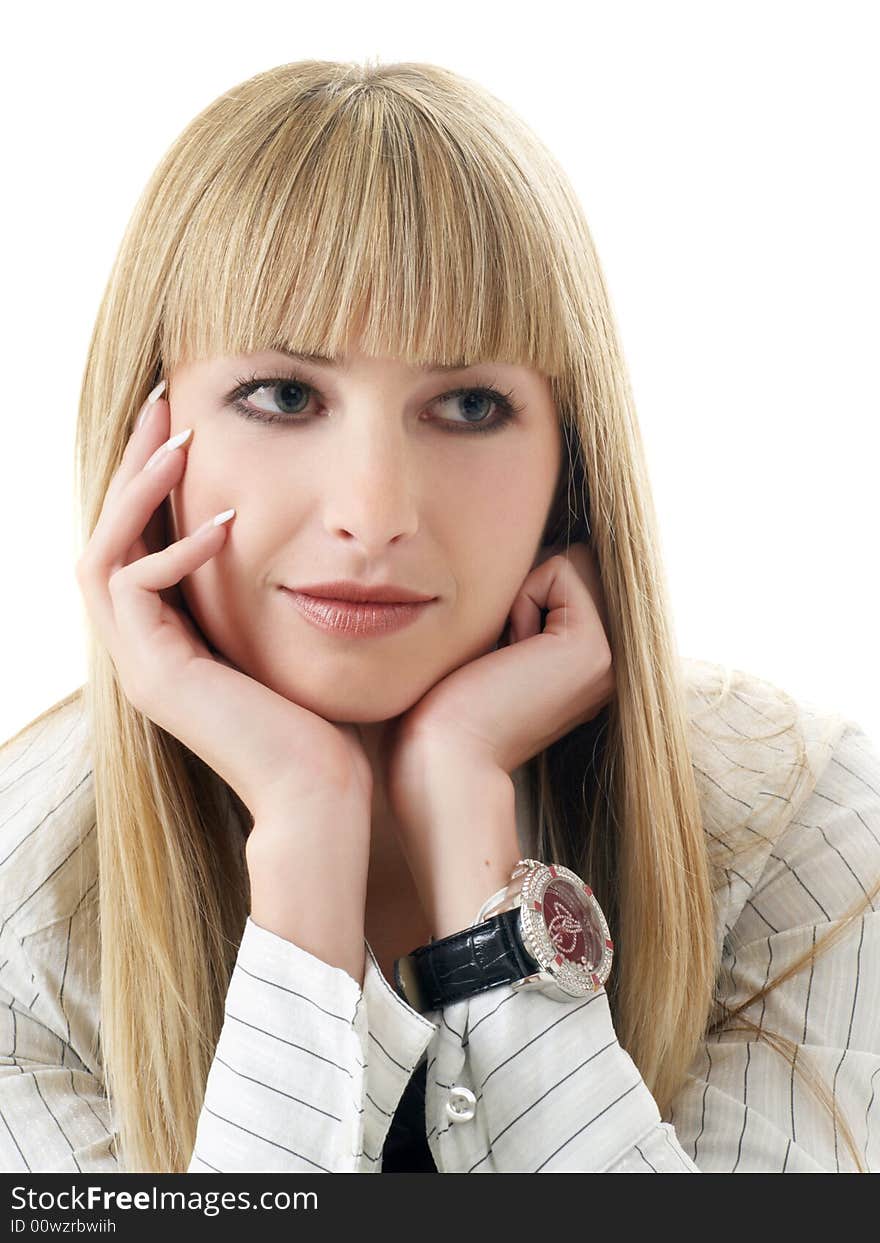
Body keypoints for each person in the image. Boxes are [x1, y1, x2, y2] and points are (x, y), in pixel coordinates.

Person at [0, 58, 878, 1176]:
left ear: (571, 465)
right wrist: (305, 824)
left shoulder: (797, 835)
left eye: (467, 404)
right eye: (283, 395)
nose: (372, 512)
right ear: (147, 441)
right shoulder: (18, 918)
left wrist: (471, 827)